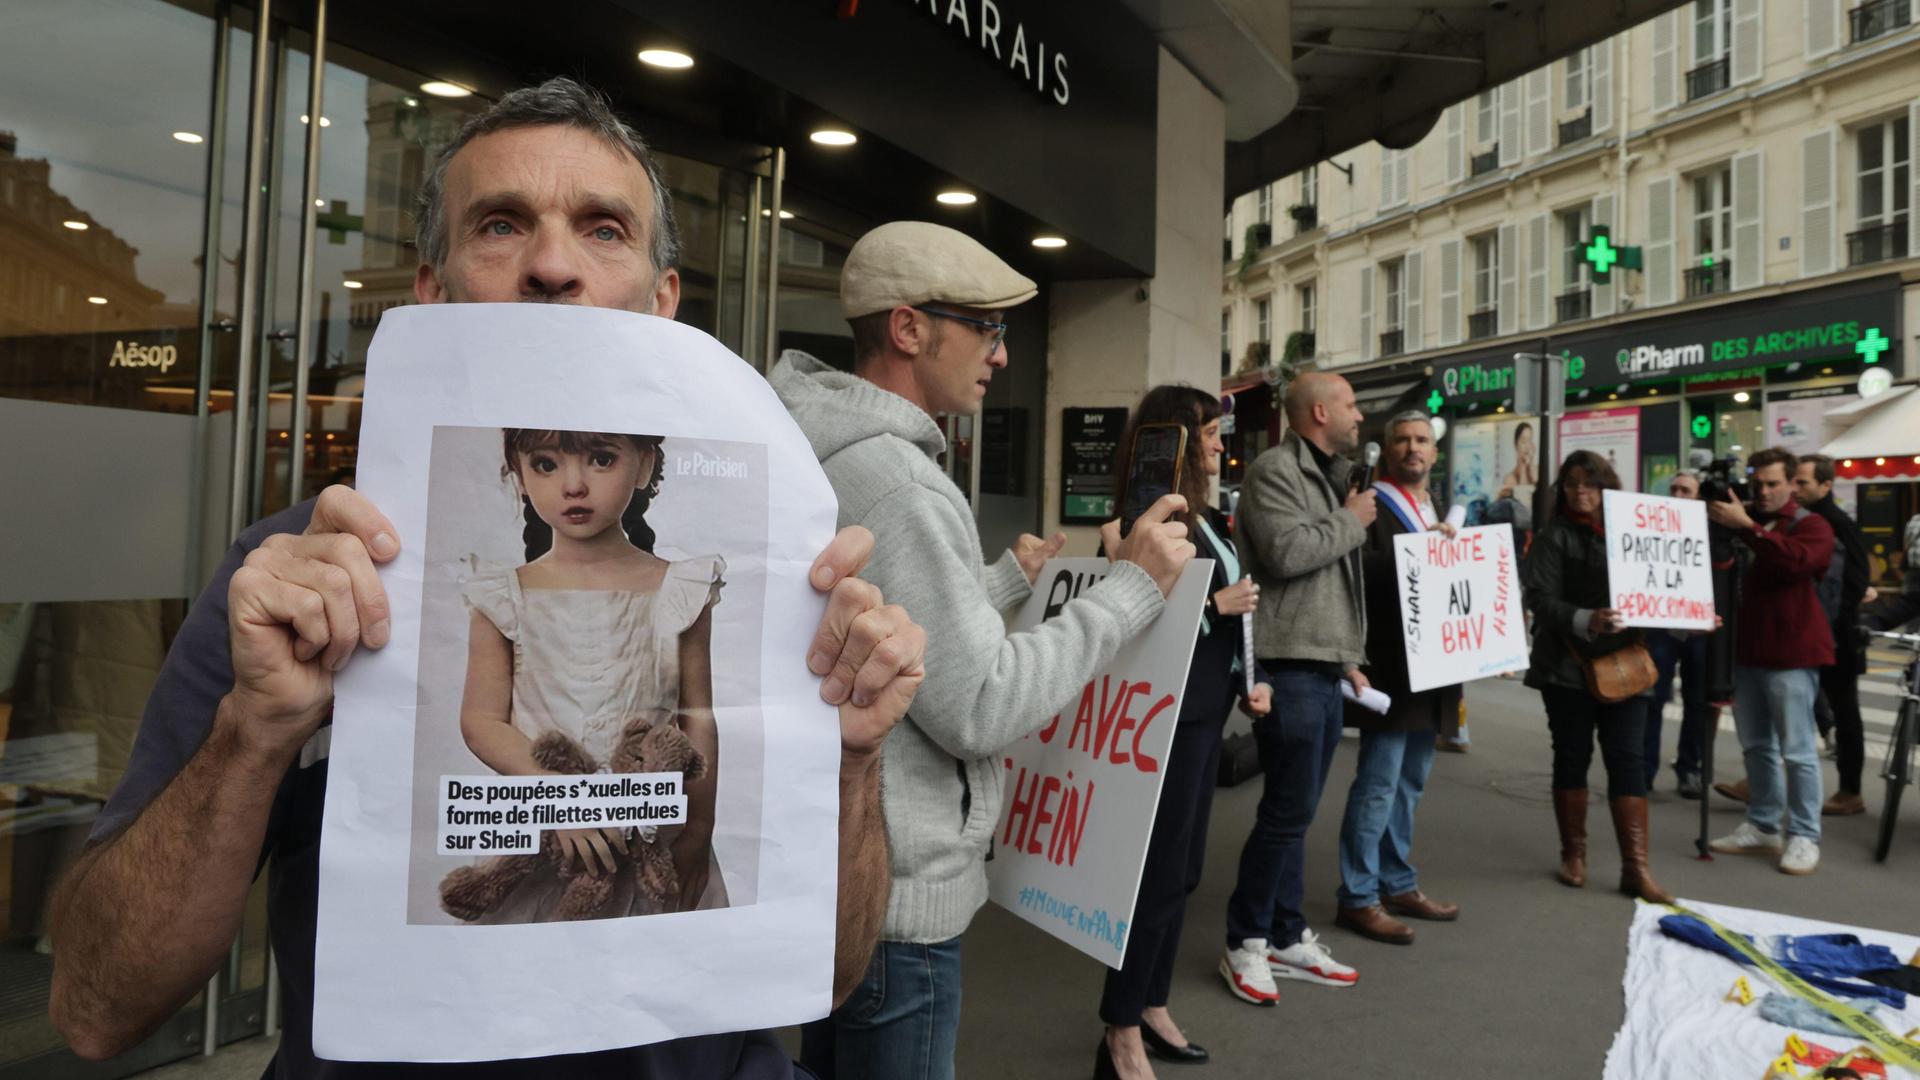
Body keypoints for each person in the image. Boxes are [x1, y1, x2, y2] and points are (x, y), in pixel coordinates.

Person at [47, 77, 931, 1079]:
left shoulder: (769, 570)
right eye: (502, 225)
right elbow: (93, 1006)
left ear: (663, 301)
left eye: (604, 230)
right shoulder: (295, 581)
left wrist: (852, 759)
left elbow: (833, 972)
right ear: (432, 291)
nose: (554, 266)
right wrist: (252, 735)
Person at [769, 221, 1193, 1080]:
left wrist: (992, 582)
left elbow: (897, 631)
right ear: (909, 328)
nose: (1000, 354)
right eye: (987, 327)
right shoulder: (899, 479)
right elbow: (980, 706)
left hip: (853, 873)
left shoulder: (837, 448)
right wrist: (1134, 589)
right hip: (899, 899)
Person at [440, 429, 727, 922]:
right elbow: (481, 721)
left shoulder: (681, 588)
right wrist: (559, 796)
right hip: (545, 843)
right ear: (519, 471)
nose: (573, 485)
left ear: (643, 465)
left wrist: (699, 830)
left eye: (600, 459)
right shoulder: (502, 593)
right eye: (547, 464)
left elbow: (696, 715)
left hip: (654, 844)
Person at [1093, 387, 1273, 1080]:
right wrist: (1213, 608)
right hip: (1161, 721)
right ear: (1172, 436)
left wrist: (1247, 679)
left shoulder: (1204, 517)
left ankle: (1151, 1004)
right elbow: (1128, 619)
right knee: (1158, 876)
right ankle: (1121, 1026)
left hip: (1203, 711)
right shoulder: (1146, 519)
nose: (1218, 443)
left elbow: (1233, 615)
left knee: (1185, 871)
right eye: (1206, 432)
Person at [1219, 371, 1371, 1007]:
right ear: (1317, 412)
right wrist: (1351, 519)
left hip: (1322, 664)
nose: (1359, 416)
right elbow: (1285, 554)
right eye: (1350, 404)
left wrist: (1348, 657)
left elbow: (1329, 586)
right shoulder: (1276, 471)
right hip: (1287, 664)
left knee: (1298, 811)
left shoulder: (1331, 474)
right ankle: (1245, 941)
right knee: (1285, 813)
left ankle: (1284, 933)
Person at [1332, 411, 1462, 947]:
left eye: (1422, 440)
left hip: (1434, 668)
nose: (1413, 448)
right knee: (1379, 783)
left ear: (1434, 452)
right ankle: (1358, 896)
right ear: (1387, 451)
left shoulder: (1440, 506)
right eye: (1403, 440)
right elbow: (1354, 575)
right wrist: (1422, 554)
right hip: (1390, 665)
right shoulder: (1370, 503)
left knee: (1410, 782)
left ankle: (1397, 881)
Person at [1522, 450, 1672, 904]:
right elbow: (1539, 599)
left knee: (1627, 760)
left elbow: (1663, 582)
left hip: (1627, 666)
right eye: (1572, 484)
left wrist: (1690, 613)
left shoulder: (1637, 532)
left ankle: (1636, 868)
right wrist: (1588, 617)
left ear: (1607, 487)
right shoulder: (1554, 537)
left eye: (1589, 483)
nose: (1580, 491)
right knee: (1572, 757)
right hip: (1567, 670)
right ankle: (1575, 855)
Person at [1707, 447, 1836, 875]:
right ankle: (1763, 824)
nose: (1763, 491)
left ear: (1791, 484)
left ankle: (1804, 834)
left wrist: (1748, 529)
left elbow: (1796, 563)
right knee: (1757, 746)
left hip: (1793, 654)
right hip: (1746, 652)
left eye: (1773, 484)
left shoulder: (1811, 525)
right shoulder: (1742, 520)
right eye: (1757, 483)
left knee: (1798, 751)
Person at [1794, 453, 1871, 817]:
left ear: (1825, 485)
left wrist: (1830, 623)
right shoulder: (1805, 518)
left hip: (1836, 636)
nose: (1796, 488)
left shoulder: (1836, 521)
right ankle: (1761, 780)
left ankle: (1850, 791)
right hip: (1812, 632)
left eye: (1803, 482)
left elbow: (1856, 581)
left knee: (1844, 711)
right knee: (1793, 704)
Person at [1645, 470, 1713, 799]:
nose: (1678, 494)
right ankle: (1644, 772)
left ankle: (1689, 768)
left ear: (1698, 497)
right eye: (1673, 489)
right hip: (1661, 627)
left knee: (1697, 703)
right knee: (1652, 698)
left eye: (1685, 490)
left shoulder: (1712, 531)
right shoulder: (1652, 527)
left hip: (1699, 630)